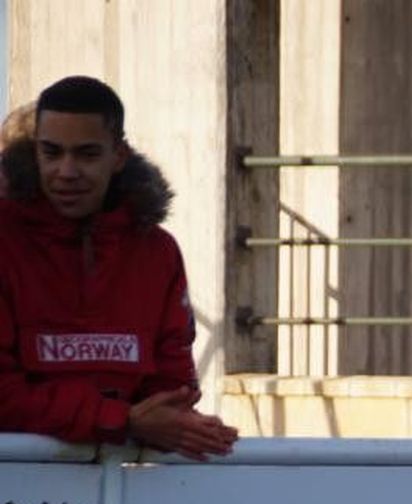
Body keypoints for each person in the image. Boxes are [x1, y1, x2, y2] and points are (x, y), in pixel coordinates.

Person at [0, 77, 237, 458]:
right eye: (52, 153)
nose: (66, 171)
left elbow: (172, 385)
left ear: (119, 156)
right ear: (34, 152)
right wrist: (122, 421)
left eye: (87, 154)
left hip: (123, 483)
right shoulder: (7, 243)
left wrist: (172, 421)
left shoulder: (158, 252)